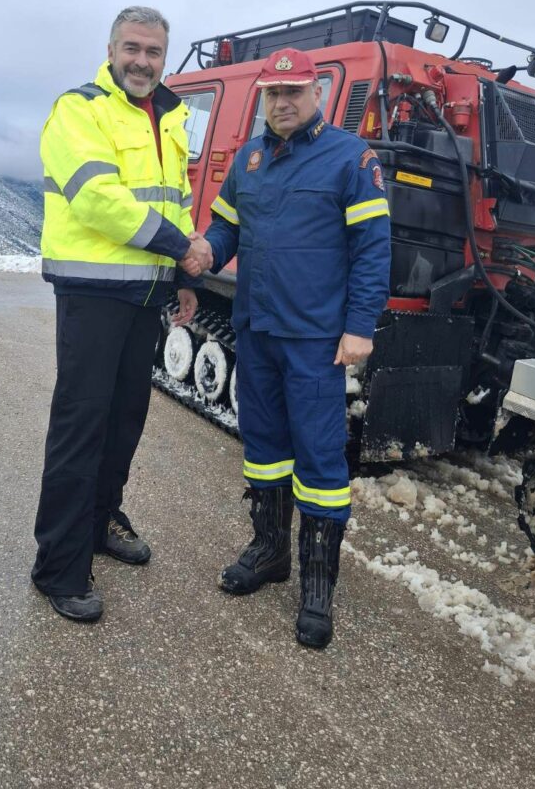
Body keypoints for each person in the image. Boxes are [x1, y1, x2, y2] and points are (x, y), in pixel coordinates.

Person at [182, 47, 391, 648]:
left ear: (316, 93)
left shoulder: (351, 158)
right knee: (265, 447)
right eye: (273, 93)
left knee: (320, 459)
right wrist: (207, 252)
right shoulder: (248, 159)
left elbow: (373, 249)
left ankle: (317, 586)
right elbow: (227, 226)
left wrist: (360, 325)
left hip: (314, 339)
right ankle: (270, 551)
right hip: (256, 329)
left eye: (293, 91)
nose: (282, 102)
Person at [32, 5, 202, 622]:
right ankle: (58, 565)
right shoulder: (80, 109)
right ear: (110, 51)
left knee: (124, 419)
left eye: (154, 51)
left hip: (146, 294)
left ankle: (101, 520)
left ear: (164, 58)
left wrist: (185, 276)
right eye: (132, 48)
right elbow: (97, 200)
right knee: (81, 424)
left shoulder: (170, 117)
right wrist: (182, 247)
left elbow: (177, 200)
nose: (142, 61)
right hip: (93, 294)